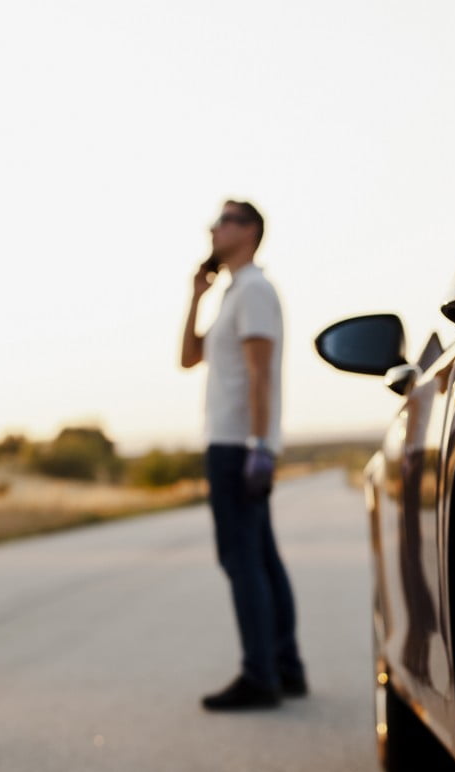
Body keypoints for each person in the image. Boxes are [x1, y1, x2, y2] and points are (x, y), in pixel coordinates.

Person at [181, 199, 306, 710]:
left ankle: (260, 676)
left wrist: (258, 447)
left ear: (250, 231)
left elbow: (260, 373)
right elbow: (189, 358)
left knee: (241, 561)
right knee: (263, 560)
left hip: (237, 445)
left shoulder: (254, 289)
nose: (213, 227)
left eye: (225, 220)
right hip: (235, 443)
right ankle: (285, 668)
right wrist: (195, 297)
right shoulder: (233, 292)